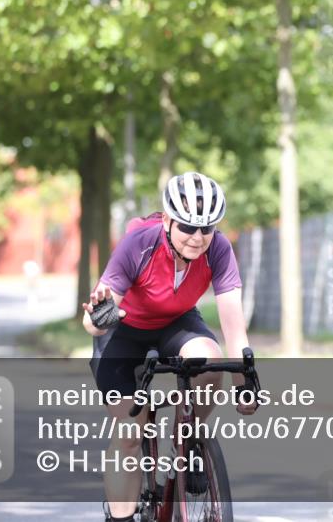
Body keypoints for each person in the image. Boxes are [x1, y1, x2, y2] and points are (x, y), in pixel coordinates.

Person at [83, 171, 257, 522]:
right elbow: (92, 323)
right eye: (188, 228)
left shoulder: (219, 249)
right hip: (124, 330)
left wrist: (245, 386)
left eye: (206, 228)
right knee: (129, 436)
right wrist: (101, 315)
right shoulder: (139, 244)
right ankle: (122, 518)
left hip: (176, 323)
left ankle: (189, 444)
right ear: (167, 220)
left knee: (210, 362)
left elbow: (233, 324)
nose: (197, 237)